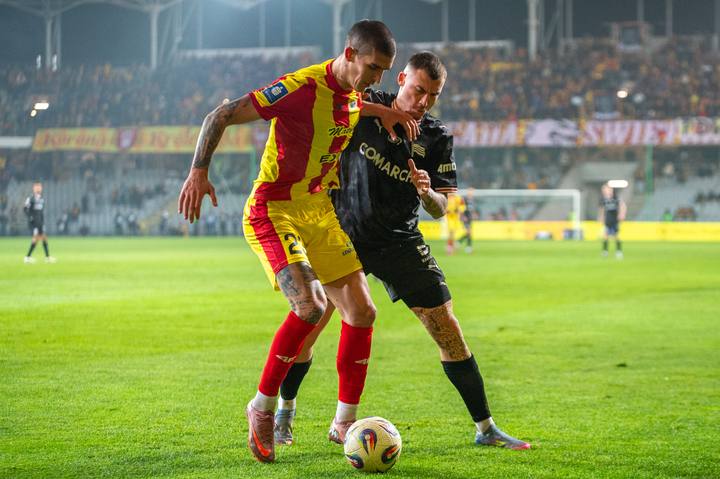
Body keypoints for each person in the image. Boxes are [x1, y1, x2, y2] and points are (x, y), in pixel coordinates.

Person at [177, 20, 419, 464]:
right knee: (311, 307)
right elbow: (220, 115)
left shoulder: (352, 93)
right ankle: (261, 407)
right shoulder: (299, 88)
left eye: (384, 71)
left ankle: (344, 423)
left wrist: (382, 112)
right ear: (349, 54)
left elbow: (350, 103)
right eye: (372, 67)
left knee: (362, 311)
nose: (376, 78)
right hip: (274, 209)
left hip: (318, 211)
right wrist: (198, 172)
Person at [275, 52, 531, 451]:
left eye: (433, 95)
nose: (424, 101)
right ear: (401, 80)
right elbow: (333, 103)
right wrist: (383, 112)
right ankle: (284, 413)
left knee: (446, 327)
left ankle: (486, 428)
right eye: (418, 90)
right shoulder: (366, 104)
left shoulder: (437, 137)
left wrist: (426, 193)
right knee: (311, 325)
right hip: (343, 234)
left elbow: (442, 207)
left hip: (399, 240)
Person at [23, 182, 55, 264]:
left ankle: (45, 257)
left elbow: (41, 212)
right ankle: (28, 257)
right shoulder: (30, 199)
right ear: (33, 188)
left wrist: (42, 221)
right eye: (37, 187)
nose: (38, 188)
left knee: (41, 238)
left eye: (40, 187)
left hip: (40, 222)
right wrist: (30, 218)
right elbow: (25, 209)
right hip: (34, 223)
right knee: (37, 238)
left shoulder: (41, 199)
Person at [598, 183, 626, 259]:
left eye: (605, 189)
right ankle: (605, 251)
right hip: (607, 220)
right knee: (605, 236)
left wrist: (622, 214)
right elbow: (602, 209)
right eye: (603, 189)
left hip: (615, 220)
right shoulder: (603, 199)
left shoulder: (616, 198)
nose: (604, 191)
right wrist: (601, 217)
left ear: (611, 190)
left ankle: (619, 251)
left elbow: (622, 205)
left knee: (616, 236)